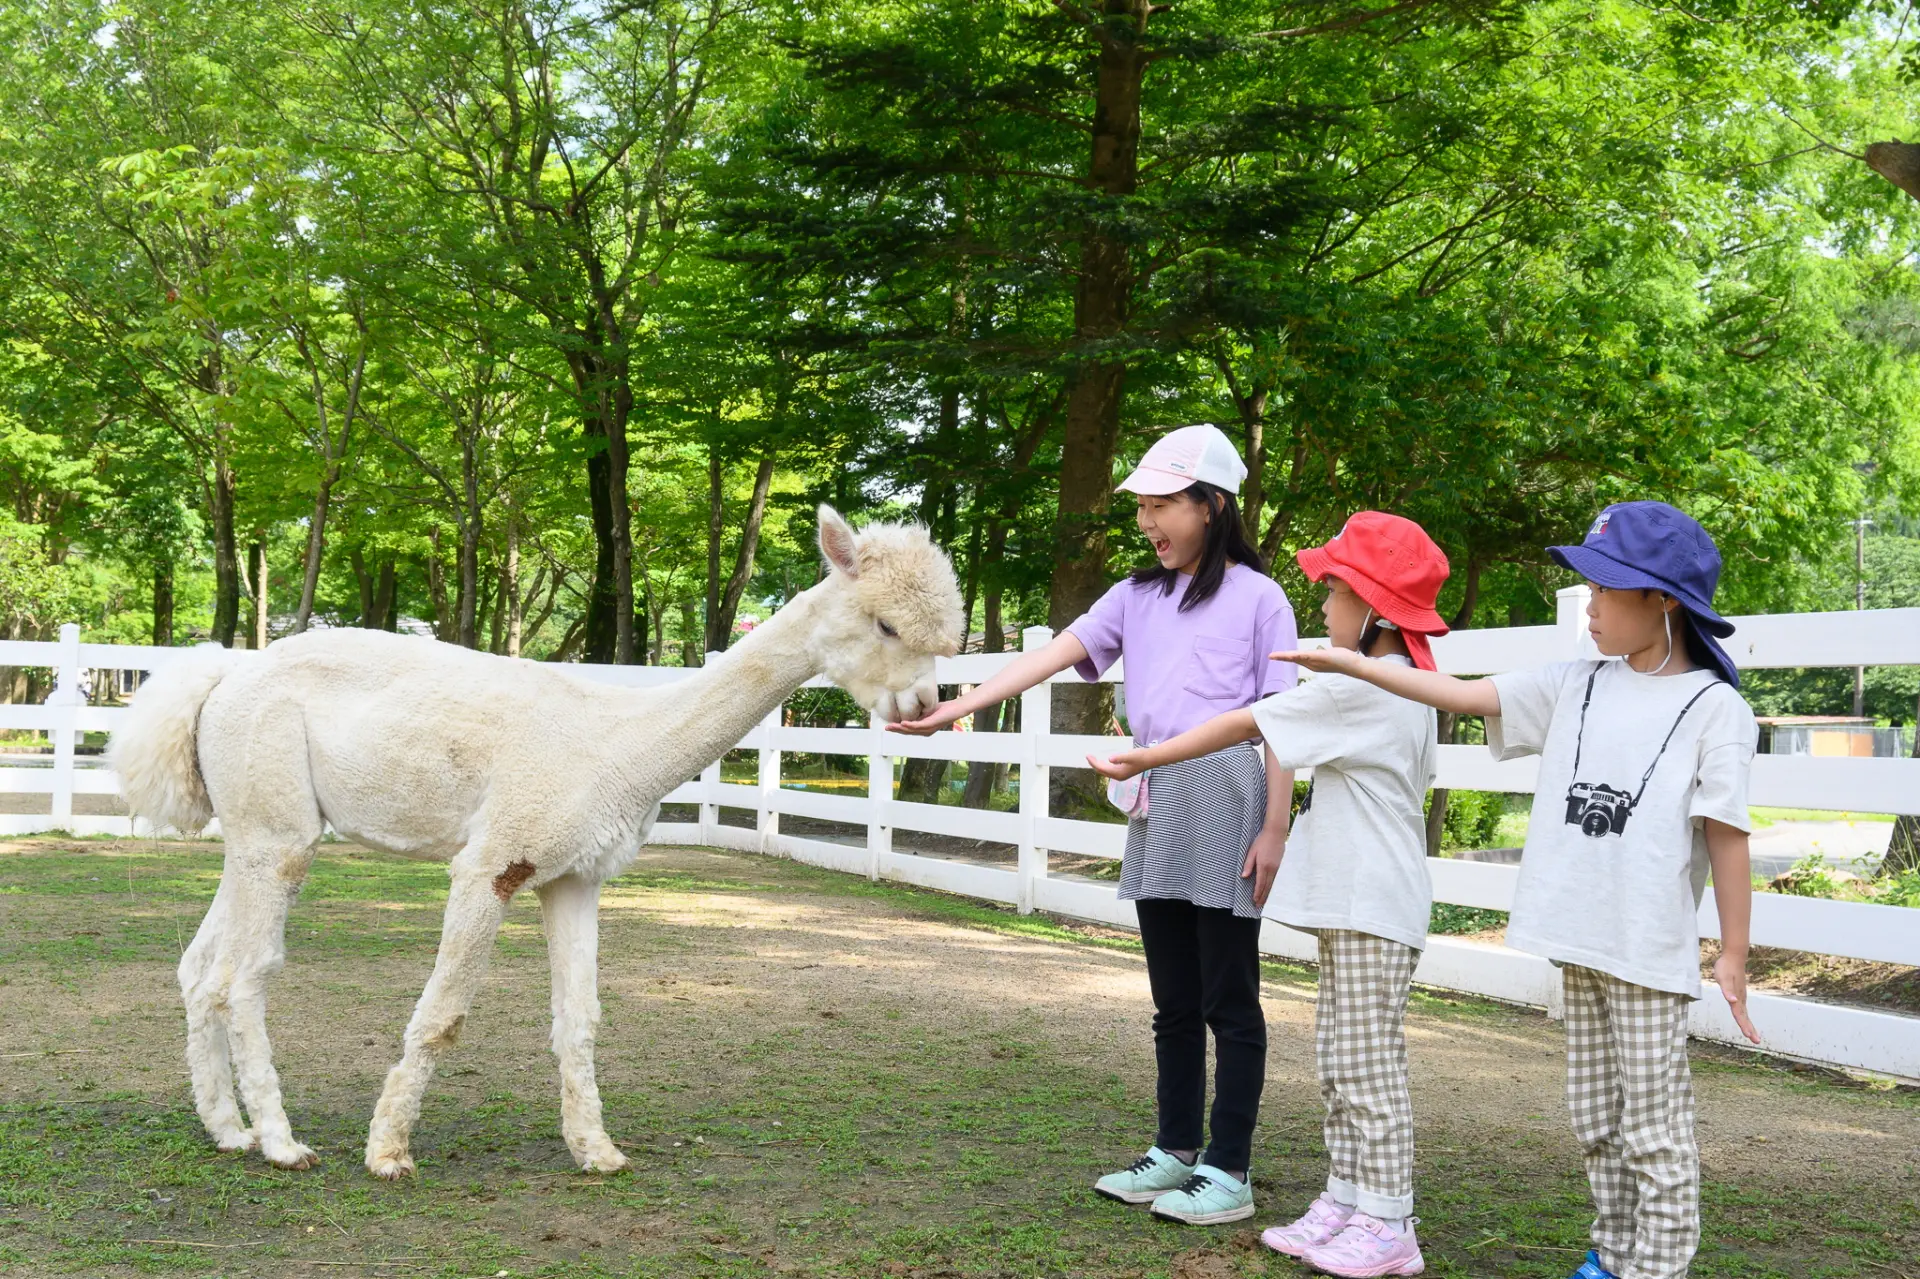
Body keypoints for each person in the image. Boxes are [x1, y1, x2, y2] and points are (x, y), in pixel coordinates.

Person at [1273, 501, 1762, 1279]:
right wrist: (1361, 664)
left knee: (1656, 1127)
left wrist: (1732, 950)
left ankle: (1655, 1267)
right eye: (1590, 588)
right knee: (1598, 1118)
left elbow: (1726, 831)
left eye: (1607, 589)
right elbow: (1466, 696)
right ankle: (1611, 1253)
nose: (1592, 606)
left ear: (1664, 600)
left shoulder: (1716, 709)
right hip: (1580, 937)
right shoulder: (1576, 682)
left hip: (1646, 949)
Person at [890, 424, 1296, 1225]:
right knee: (1173, 997)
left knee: (1228, 996)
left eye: (1164, 505)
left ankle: (1230, 1167)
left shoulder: (1261, 597)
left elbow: (1284, 718)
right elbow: (1051, 655)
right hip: (1152, 793)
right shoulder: (1136, 595)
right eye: (1142, 506)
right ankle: (1176, 1149)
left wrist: (1276, 824)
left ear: (1212, 505)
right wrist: (959, 709)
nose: (1149, 522)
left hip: (1224, 794)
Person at [1091, 511, 1450, 1278]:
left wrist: (1149, 753)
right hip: (1362, 901)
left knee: (1366, 1067)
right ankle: (1349, 1199)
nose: (1321, 605)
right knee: (1346, 1061)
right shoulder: (1401, 685)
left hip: (1372, 900)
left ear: (1376, 608)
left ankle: (1389, 1219)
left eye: (1335, 589)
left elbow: (1250, 721)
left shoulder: (1363, 692)